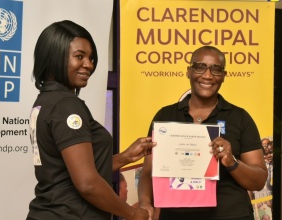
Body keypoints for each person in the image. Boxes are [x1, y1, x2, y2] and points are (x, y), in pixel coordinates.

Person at [26, 20, 156, 220]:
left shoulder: (46, 100)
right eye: (79, 56)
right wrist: (132, 213)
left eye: (91, 57)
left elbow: (68, 172)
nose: (89, 64)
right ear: (54, 57)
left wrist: (125, 157)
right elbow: (87, 183)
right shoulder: (66, 105)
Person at [138, 46, 268, 220]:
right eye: (200, 67)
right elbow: (148, 171)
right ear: (189, 72)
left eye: (216, 69)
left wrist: (231, 162)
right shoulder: (166, 116)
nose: (207, 75)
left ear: (223, 76)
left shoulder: (240, 118)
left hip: (230, 215)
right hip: (175, 215)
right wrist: (145, 203)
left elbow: (259, 181)